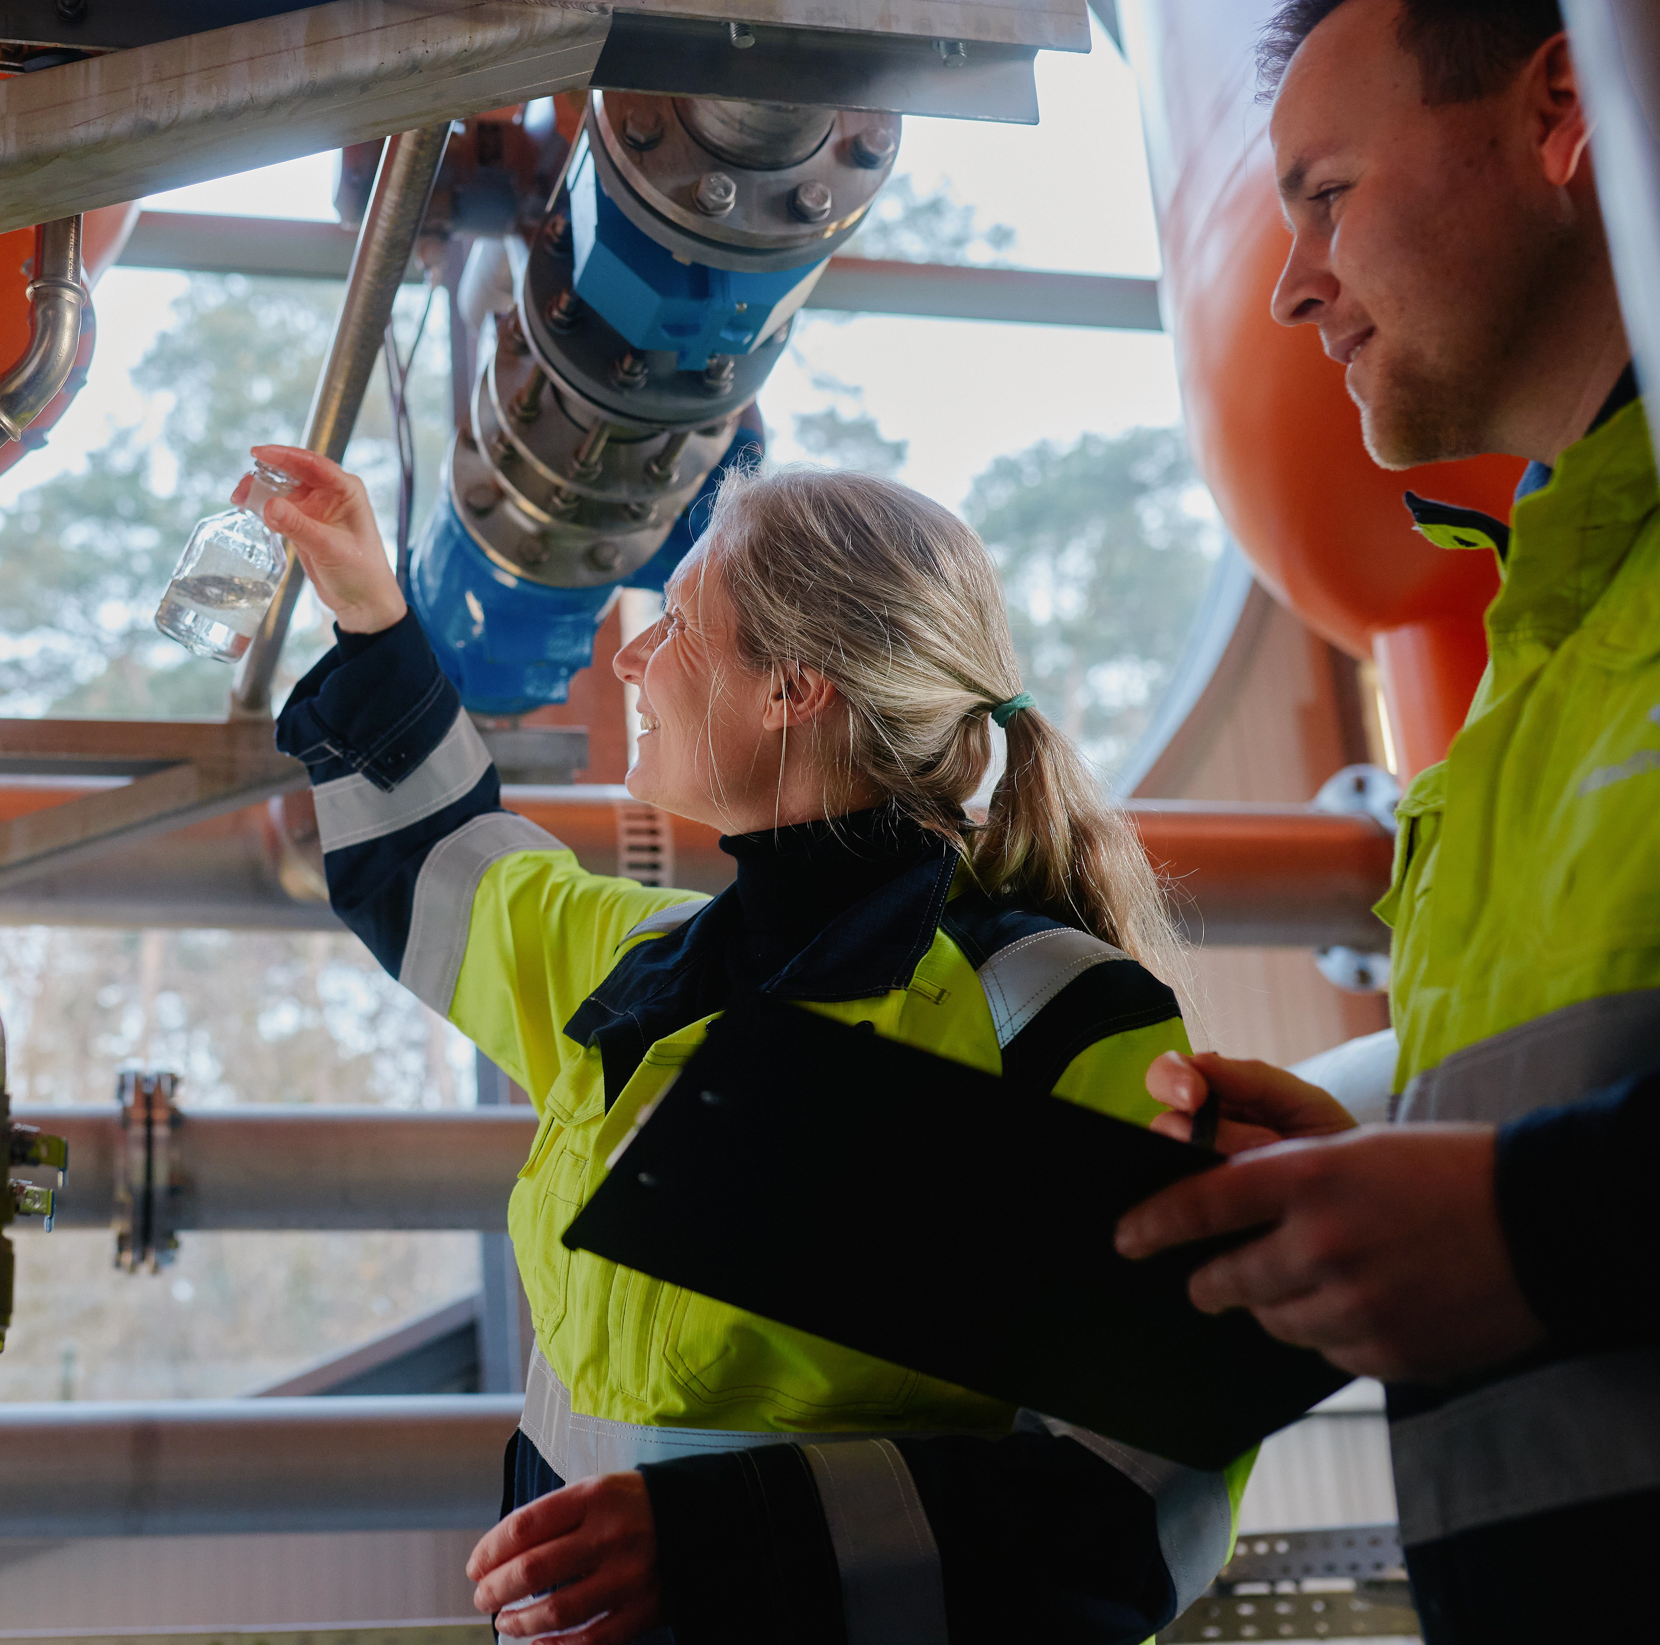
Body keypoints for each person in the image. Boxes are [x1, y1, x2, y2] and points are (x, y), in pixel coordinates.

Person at [259, 443, 1249, 1643]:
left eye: (675, 622)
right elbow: (437, 871)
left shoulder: (1044, 1013)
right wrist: (371, 611)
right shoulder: (645, 966)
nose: (631, 655)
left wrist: (721, 1540)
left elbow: (1143, 1486)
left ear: (793, 687)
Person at [1112, 0, 1660, 1637]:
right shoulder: (1537, 660)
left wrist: (1526, 1221)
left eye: (1327, 198)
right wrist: (1379, 1182)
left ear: (1564, 111)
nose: (1286, 286)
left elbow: (1555, 1219)